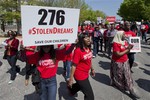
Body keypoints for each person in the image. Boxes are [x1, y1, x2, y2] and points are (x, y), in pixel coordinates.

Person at [110, 31, 140, 99]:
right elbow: (117, 54)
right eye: (123, 34)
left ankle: (131, 89)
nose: (125, 35)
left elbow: (127, 51)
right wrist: (128, 49)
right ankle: (120, 85)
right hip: (118, 62)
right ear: (119, 35)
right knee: (119, 75)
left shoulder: (125, 42)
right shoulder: (115, 43)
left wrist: (130, 48)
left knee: (127, 75)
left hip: (125, 61)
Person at [68, 33, 95, 100]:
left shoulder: (88, 48)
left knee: (80, 86)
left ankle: (72, 89)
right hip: (79, 75)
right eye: (86, 38)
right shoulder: (78, 51)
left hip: (86, 73)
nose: (88, 39)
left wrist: (92, 69)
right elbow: (74, 65)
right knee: (90, 96)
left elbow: (89, 59)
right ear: (81, 40)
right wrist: (71, 79)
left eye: (88, 37)